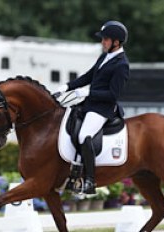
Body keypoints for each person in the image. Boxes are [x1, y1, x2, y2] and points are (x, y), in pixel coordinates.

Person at [56, 20, 130, 194]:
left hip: (103, 108)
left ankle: (89, 181)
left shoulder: (122, 65)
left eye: (105, 39)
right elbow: (89, 76)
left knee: (84, 135)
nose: (102, 42)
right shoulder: (105, 56)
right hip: (89, 104)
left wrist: (87, 93)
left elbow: (113, 95)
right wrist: (67, 87)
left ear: (116, 42)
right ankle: (72, 171)